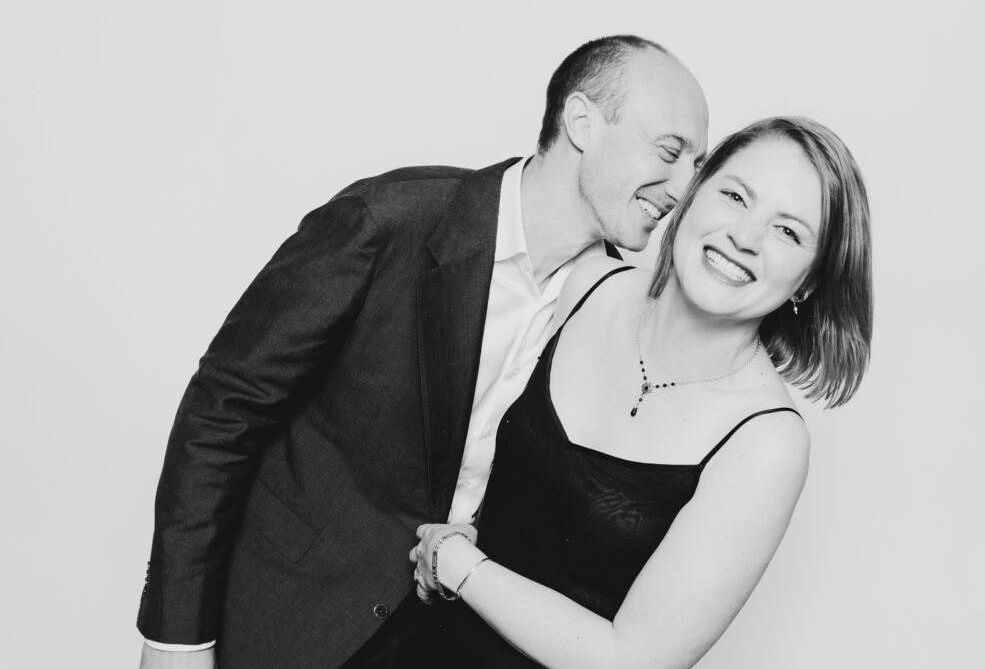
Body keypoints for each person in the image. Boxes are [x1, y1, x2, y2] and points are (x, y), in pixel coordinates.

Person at [137, 35, 709, 668]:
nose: (684, 187)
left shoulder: (611, 309)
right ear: (581, 123)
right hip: (283, 617)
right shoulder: (390, 219)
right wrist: (175, 639)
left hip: (450, 640)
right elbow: (223, 412)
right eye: (670, 151)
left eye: (697, 165)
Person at [411, 116, 872, 668]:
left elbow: (634, 660)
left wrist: (458, 564)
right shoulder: (585, 281)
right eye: (734, 196)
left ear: (810, 281)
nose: (744, 237)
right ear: (693, 195)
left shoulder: (767, 442)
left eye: (788, 231)